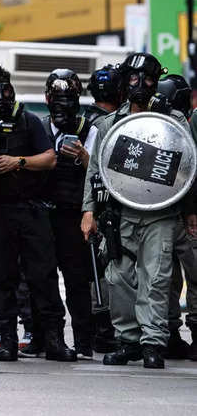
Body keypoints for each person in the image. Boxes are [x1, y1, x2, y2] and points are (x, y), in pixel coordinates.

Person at [0, 64, 75, 362]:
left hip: (31, 210)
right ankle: (8, 339)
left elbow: (49, 159)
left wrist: (17, 162)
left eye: (6, 89)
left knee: (43, 276)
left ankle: (54, 340)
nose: (2, 96)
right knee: (1, 279)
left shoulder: (28, 122)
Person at [81, 53, 195, 369]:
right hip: (119, 213)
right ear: (124, 80)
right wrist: (88, 211)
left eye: (147, 78)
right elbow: (95, 171)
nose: (140, 84)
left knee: (156, 278)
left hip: (160, 213)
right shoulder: (110, 124)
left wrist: (189, 211)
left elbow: (187, 165)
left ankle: (153, 344)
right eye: (133, 77)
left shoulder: (172, 120)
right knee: (117, 278)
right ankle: (128, 341)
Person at [31, 69, 96, 360]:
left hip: (73, 215)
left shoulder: (90, 129)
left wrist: (83, 157)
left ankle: (83, 341)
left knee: (77, 281)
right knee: (40, 278)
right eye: (56, 100)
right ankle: (41, 337)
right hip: (42, 215)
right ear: (47, 99)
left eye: (68, 99)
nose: (62, 106)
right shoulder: (38, 127)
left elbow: (99, 174)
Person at [156, 75, 197, 361]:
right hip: (177, 211)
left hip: (171, 210)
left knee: (171, 277)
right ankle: (174, 334)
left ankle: (173, 334)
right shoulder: (184, 123)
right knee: (172, 277)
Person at [83, 65, 123, 353]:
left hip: (100, 207)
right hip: (103, 207)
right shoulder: (100, 124)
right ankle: (105, 329)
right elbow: (93, 169)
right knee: (103, 269)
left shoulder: (95, 122)